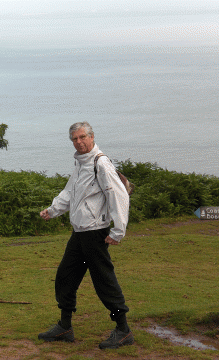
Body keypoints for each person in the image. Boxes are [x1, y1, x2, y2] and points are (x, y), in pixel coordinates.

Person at [38, 122, 133, 350]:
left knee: (104, 281)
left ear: (91, 137)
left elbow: (119, 196)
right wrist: (53, 210)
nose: (79, 142)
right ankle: (65, 327)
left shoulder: (101, 163)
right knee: (65, 277)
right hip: (79, 232)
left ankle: (123, 330)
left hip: (95, 233)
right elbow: (70, 192)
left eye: (82, 137)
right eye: (74, 139)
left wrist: (118, 231)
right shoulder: (81, 164)